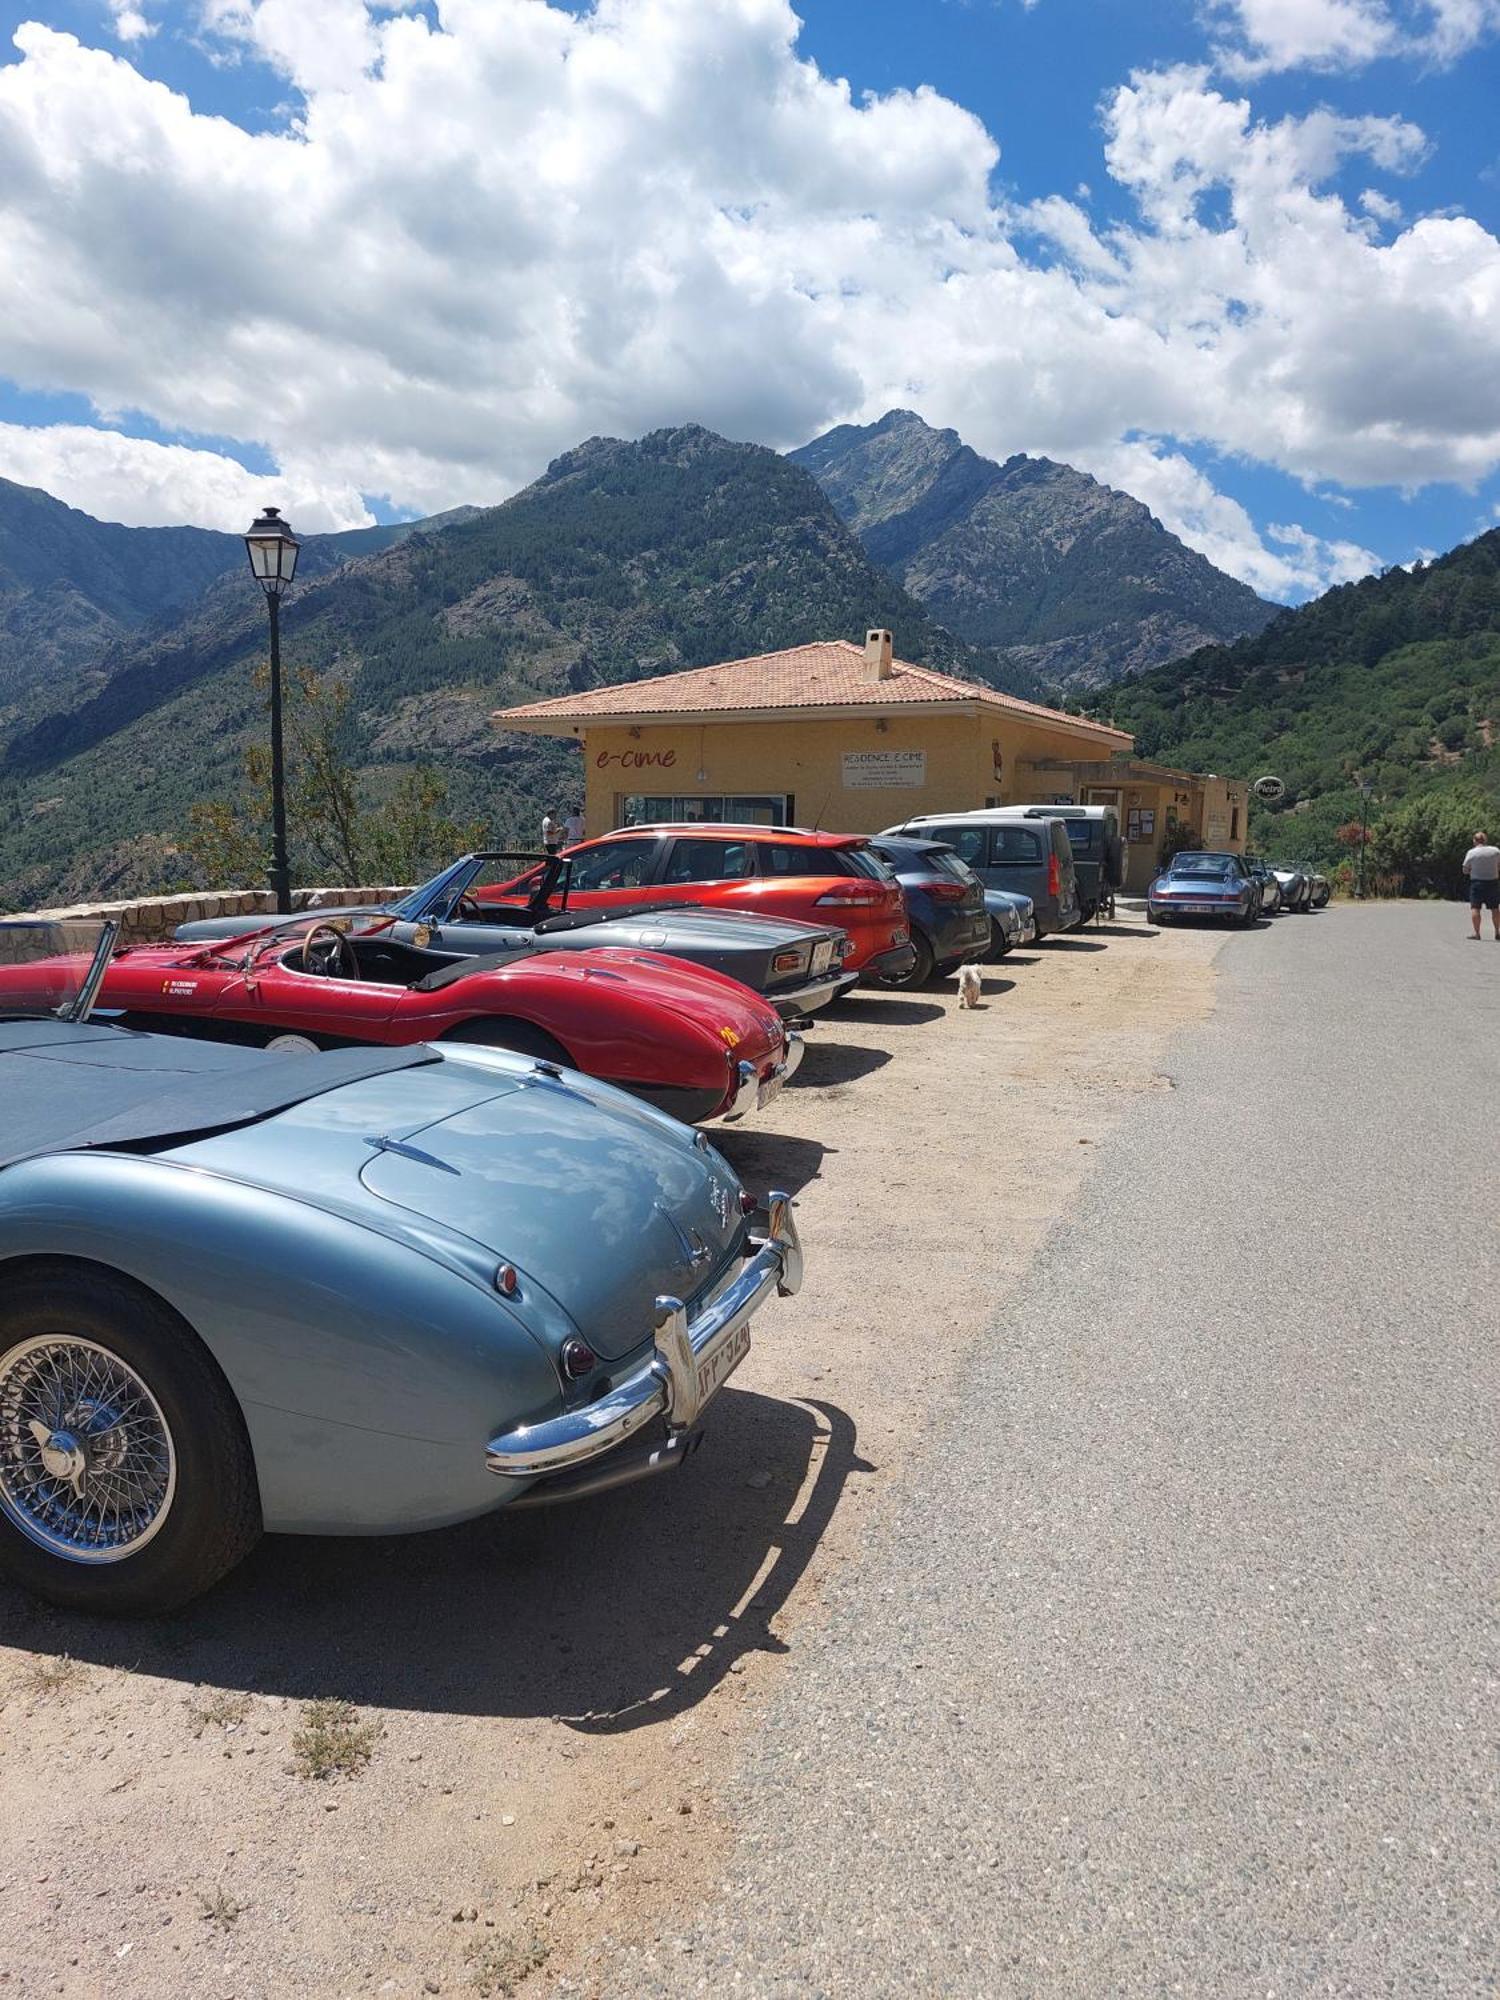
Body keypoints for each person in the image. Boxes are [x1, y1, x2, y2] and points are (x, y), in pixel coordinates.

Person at [1462, 829, 1500, 939]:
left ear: (1475, 841)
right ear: (1485, 840)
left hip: (1477, 883)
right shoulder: (1495, 851)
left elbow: (1465, 870)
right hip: (1493, 882)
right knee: (1495, 908)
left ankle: (1477, 933)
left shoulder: (1471, 852)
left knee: (1475, 908)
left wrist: (1472, 870)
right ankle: (1497, 932)